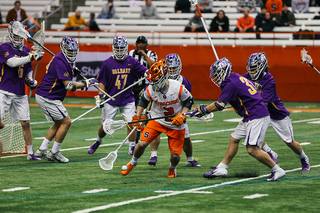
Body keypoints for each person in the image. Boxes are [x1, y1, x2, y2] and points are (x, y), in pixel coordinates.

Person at [191, 57, 286, 182]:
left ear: (225, 71)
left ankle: (277, 170)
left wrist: (203, 110)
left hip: (257, 115)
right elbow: (256, 86)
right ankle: (222, 168)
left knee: (252, 149)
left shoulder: (230, 83)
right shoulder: (235, 77)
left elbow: (220, 105)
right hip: (251, 115)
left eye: (218, 73)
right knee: (234, 138)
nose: (216, 77)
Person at [121, 59, 193, 178]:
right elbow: (143, 100)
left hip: (175, 123)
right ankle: (132, 163)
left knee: (175, 156)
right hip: (157, 120)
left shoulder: (177, 87)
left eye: (156, 80)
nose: (153, 83)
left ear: (164, 77)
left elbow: (188, 101)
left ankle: (172, 168)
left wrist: (182, 114)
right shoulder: (150, 88)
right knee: (141, 144)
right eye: (152, 80)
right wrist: (138, 115)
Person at [35, 37, 99, 163]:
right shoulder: (60, 61)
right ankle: (54, 152)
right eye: (69, 51)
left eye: (74, 51)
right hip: (48, 96)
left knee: (59, 123)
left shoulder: (64, 60)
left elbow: (62, 77)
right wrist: (87, 82)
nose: (72, 53)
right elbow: (69, 86)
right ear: (63, 49)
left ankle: (42, 150)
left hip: (48, 95)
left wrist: (72, 73)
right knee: (66, 122)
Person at [244, 52, 310, 171]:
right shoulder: (247, 77)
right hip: (260, 114)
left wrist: (250, 89)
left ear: (262, 66)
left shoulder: (269, 79)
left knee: (289, 141)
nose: (252, 70)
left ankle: (303, 157)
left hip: (275, 113)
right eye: (251, 68)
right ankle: (270, 153)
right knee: (254, 135)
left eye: (254, 68)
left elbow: (262, 99)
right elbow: (238, 83)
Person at [88, 36, 148, 155]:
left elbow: (145, 71)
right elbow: (102, 82)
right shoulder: (107, 63)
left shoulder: (132, 61)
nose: (119, 50)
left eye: (122, 48)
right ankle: (98, 141)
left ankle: (131, 147)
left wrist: (148, 73)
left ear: (126, 48)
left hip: (127, 98)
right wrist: (100, 96)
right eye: (117, 48)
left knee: (132, 123)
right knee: (106, 126)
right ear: (113, 48)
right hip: (111, 99)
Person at [0, 21, 44, 161]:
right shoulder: (4, 47)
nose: (19, 39)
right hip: (4, 91)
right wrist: (32, 56)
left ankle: (30, 153)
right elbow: (12, 63)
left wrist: (30, 80)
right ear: (11, 35)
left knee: (26, 123)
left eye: (20, 37)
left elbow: (28, 69)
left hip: (19, 92)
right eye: (16, 36)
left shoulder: (25, 49)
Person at [147, 53, 201, 167]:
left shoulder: (184, 82)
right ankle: (153, 155)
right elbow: (150, 94)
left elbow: (188, 100)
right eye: (169, 68)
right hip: (159, 111)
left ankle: (190, 159)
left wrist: (183, 114)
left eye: (174, 68)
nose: (171, 71)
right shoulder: (158, 77)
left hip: (176, 114)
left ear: (179, 67)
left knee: (186, 138)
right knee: (154, 133)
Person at [128, 36, 158, 107]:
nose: (141, 44)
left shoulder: (151, 54)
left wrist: (145, 55)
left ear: (146, 45)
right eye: (139, 43)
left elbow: (153, 66)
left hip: (146, 84)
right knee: (132, 106)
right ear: (136, 44)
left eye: (143, 43)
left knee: (143, 105)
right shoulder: (130, 53)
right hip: (133, 85)